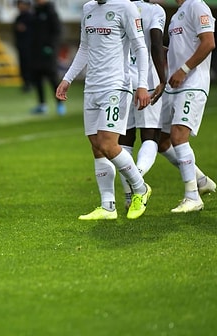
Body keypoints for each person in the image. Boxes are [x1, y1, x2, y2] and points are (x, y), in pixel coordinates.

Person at [55, 0, 153, 220]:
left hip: (116, 86)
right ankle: (107, 206)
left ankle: (140, 188)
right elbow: (84, 47)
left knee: (108, 144)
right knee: (96, 146)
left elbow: (140, 46)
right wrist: (67, 79)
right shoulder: (88, 8)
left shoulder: (126, 7)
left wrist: (142, 85)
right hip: (92, 87)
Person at [157, 0, 216, 213]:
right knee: (160, 140)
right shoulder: (177, 14)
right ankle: (200, 180)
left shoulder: (197, 6)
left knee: (178, 136)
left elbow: (208, 42)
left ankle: (193, 197)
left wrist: (183, 68)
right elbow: (180, 48)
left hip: (192, 83)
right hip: (174, 85)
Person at [117, 0, 167, 210]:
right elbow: (155, 43)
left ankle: (129, 199)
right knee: (150, 136)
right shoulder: (155, 10)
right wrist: (162, 78)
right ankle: (137, 180)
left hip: (122, 79)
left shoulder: (119, 7)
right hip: (146, 79)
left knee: (124, 140)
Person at [30, 0, 65, 116]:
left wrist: (51, 47)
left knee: (52, 78)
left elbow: (57, 31)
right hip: (36, 52)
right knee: (37, 78)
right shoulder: (35, 12)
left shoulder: (51, 12)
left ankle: (59, 103)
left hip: (49, 53)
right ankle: (42, 104)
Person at [13, 0, 34, 93]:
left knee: (29, 65)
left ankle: (30, 83)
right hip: (21, 46)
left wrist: (25, 29)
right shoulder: (18, 17)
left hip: (30, 46)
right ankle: (25, 83)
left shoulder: (31, 17)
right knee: (23, 65)